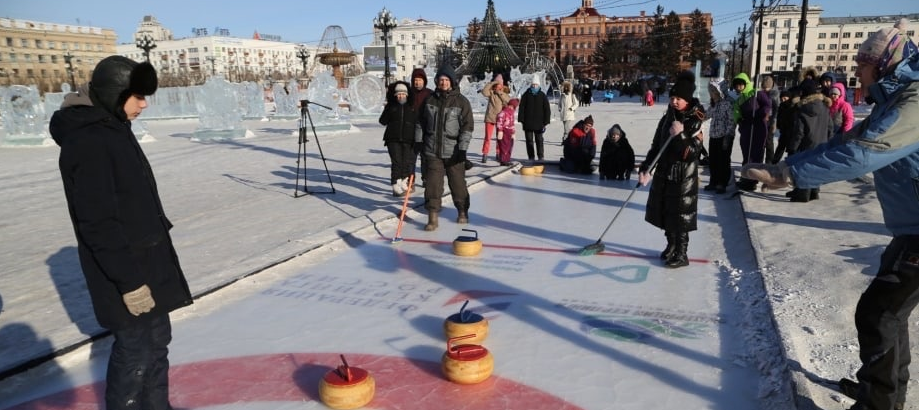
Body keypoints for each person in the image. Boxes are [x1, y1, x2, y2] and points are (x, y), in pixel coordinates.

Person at [742, 19, 918, 410]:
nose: (856, 70)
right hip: (910, 229)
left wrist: (790, 176)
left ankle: (879, 401)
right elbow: (845, 141)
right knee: (888, 313)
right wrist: (785, 168)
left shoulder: (914, 103)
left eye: (862, 63)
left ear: (883, 64)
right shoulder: (895, 99)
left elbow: (865, 152)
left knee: (879, 313)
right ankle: (883, 393)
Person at [49, 55, 193, 410]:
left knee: (157, 341)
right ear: (115, 93)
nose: (144, 104)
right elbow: (98, 223)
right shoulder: (89, 141)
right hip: (124, 272)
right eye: (137, 96)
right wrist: (130, 284)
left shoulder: (114, 126)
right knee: (135, 350)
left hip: (148, 260)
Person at [637, 70, 706, 269]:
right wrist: (646, 168)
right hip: (665, 172)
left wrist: (681, 135)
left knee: (680, 216)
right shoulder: (667, 117)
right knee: (666, 211)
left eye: (679, 99)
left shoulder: (696, 120)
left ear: (688, 100)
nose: (674, 101)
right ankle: (671, 245)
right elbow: (656, 146)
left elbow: (692, 152)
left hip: (683, 176)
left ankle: (682, 253)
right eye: (672, 98)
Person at [416, 64, 474, 231]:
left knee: (458, 184)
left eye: (446, 80)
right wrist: (418, 141)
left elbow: (467, 127)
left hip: (454, 152)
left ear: (452, 82)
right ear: (437, 81)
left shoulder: (461, 102)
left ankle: (462, 210)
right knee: (432, 185)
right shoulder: (430, 100)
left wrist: (462, 149)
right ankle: (432, 216)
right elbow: (420, 123)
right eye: (441, 80)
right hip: (432, 150)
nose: (443, 83)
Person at [784, 78, 832, 203]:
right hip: (822, 143)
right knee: (816, 167)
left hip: (806, 144)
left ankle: (803, 193)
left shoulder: (803, 109)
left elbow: (799, 132)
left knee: (804, 167)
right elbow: (830, 127)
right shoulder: (824, 107)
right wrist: (828, 141)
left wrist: (792, 147)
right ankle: (814, 191)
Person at [732, 72, 772, 192]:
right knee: (746, 153)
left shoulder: (756, 93)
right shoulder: (739, 99)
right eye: (736, 85)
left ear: (746, 84)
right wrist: (739, 119)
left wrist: (762, 114)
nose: (738, 87)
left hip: (758, 126)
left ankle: (753, 180)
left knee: (755, 154)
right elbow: (736, 111)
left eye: (740, 85)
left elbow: (767, 104)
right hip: (747, 127)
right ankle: (746, 177)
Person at [379, 81, 419, 196]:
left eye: (403, 94)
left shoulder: (411, 107)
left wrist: (417, 139)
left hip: (408, 139)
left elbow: (417, 123)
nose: (401, 96)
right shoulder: (391, 106)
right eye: (398, 94)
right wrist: (388, 109)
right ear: (395, 95)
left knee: (406, 162)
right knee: (396, 162)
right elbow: (382, 121)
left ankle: (404, 181)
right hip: (393, 139)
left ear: (407, 95)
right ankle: (395, 183)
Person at [704, 79, 736, 194]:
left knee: (723, 160)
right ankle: (713, 181)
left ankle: (722, 183)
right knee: (713, 160)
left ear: (720, 91)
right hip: (714, 135)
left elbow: (732, 121)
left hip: (725, 136)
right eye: (710, 91)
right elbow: (706, 115)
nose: (711, 94)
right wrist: (696, 115)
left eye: (714, 91)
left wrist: (728, 136)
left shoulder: (728, 103)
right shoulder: (714, 103)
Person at [518, 76, 551, 161]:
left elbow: (547, 109)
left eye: (536, 84)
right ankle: (531, 157)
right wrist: (521, 119)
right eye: (533, 84)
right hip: (528, 122)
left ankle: (540, 156)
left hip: (539, 123)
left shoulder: (542, 95)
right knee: (529, 140)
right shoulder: (526, 94)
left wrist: (546, 121)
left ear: (538, 85)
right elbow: (522, 107)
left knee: (539, 140)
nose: (534, 86)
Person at [410, 68, 433, 188]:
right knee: (411, 157)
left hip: (426, 130)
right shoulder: (409, 93)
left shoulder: (429, 94)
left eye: (419, 80)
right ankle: (410, 180)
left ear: (424, 81)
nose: (417, 82)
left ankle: (426, 178)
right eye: (415, 80)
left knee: (425, 157)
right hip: (411, 131)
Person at [480, 73, 510, 163]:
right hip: (490, 118)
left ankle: (498, 153)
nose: (498, 85)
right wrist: (492, 83)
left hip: (500, 119)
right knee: (487, 137)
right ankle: (485, 153)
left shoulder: (504, 93)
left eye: (499, 84)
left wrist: (500, 92)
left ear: (502, 84)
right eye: (497, 84)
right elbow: (484, 92)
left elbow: (508, 101)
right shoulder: (491, 93)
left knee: (499, 138)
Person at [772, 86, 801, 164]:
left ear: (789, 98)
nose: (783, 101)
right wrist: (779, 125)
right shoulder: (781, 106)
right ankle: (774, 163)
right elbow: (779, 117)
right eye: (782, 99)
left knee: (791, 149)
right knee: (780, 148)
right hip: (784, 131)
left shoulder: (793, 107)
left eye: (785, 98)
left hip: (792, 132)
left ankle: (789, 164)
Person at [760, 74, 781, 164]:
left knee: (769, 142)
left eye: (767, 88)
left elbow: (776, 110)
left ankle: (769, 162)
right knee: (761, 142)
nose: (765, 89)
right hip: (763, 121)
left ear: (771, 86)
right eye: (763, 88)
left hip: (770, 122)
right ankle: (759, 161)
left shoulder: (774, 95)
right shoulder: (762, 93)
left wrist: (773, 122)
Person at [495, 98, 519, 166]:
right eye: (512, 106)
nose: (512, 108)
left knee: (509, 146)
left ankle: (507, 159)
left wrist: (513, 132)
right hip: (504, 132)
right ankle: (503, 160)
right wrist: (500, 131)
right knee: (504, 146)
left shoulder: (511, 113)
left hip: (510, 132)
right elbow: (499, 122)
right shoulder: (503, 112)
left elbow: (512, 123)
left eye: (514, 107)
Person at [558, 80, 578, 145]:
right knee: (566, 128)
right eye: (565, 87)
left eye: (567, 87)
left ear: (569, 87)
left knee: (566, 128)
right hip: (563, 114)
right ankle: (572, 137)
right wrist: (560, 108)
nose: (566, 88)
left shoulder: (572, 95)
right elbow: (559, 103)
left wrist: (571, 108)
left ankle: (565, 140)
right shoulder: (562, 95)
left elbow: (576, 103)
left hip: (569, 114)